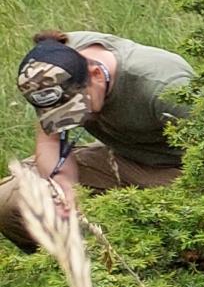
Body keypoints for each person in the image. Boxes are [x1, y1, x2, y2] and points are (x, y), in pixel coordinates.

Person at [8, 31, 193, 244]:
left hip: (182, 168)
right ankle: (75, 260)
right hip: (121, 157)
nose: (77, 118)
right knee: (10, 201)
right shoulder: (51, 69)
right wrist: (64, 187)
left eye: (78, 108)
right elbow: (51, 140)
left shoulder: (163, 85)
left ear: (96, 74)